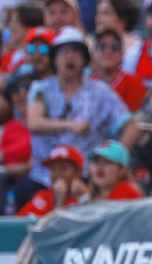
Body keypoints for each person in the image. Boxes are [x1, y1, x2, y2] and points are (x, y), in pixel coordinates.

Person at [26, 27, 135, 187]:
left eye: (76, 52)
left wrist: (114, 159)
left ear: (85, 59)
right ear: (54, 59)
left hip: (85, 178)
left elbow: (132, 126)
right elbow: (34, 123)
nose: (70, 57)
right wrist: (71, 125)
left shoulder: (100, 91)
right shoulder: (41, 88)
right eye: (64, 52)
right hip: (43, 177)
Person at [18, 141, 141, 215]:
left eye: (107, 162)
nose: (99, 167)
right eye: (95, 162)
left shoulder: (126, 191)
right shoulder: (43, 195)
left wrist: (82, 199)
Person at [91, 29, 147, 112]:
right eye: (102, 47)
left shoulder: (134, 82)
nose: (108, 51)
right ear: (94, 53)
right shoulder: (87, 83)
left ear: (122, 54)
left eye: (114, 48)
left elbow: (135, 117)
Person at [0, 88, 34, 213]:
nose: (22, 105)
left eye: (26, 101)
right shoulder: (9, 127)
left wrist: (22, 168)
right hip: (6, 177)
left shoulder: (39, 131)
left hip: (30, 178)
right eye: (19, 102)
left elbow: (33, 163)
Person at [0, 4, 45, 79]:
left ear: (29, 28)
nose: (11, 26)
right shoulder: (8, 56)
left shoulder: (38, 57)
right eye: (11, 21)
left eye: (16, 22)